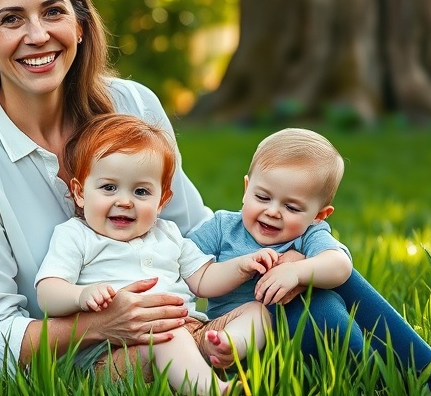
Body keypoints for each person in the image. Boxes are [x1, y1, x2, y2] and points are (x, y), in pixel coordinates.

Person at [0, 0, 431, 393]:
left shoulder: (133, 104)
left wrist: (288, 249)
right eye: (11, 20)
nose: (38, 35)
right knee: (299, 304)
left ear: (81, 22)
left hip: (185, 325)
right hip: (87, 361)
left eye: (53, 12)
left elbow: (192, 231)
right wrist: (101, 322)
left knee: (310, 274)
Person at [186, 128, 431, 396]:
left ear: (319, 215)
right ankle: (413, 381)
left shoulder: (309, 235)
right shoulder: (222, 227)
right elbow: (183, 266)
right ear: (246, 189)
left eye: (291, 206)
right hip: (241, 350)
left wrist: (297, 271)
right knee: (324, 300)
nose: (273, 212)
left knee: (326, 297)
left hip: (301, 343)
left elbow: (340, 266)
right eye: (262, 197)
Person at [35, 113, 273, 394]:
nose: (124, 201)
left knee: (258, 312)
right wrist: (80, 295)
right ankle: (212, 389)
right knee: (164, 336)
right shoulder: (76, 235)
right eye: (109, 187)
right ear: (80, 192)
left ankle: (222, 347)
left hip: (189, 331)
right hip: (117, 353)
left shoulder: (167, 234)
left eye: (141, 191)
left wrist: (241, 267)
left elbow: (204, 279)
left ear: (162, 200)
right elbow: (47, 292)